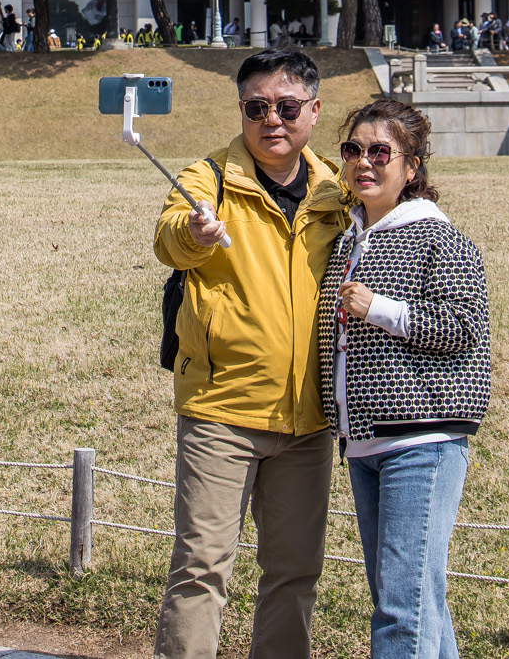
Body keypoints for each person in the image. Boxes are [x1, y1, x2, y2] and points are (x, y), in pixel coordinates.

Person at [153, 47, 348, 659]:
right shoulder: (205, 178)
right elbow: (169, 239)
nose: (273, 120)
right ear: (241, 111)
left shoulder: (337, 194)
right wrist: (194, 232)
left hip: (307, 419)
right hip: (221, 410)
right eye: (256, 107)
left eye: (287, 107)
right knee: (201, 568)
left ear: (313, 112)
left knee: (294, 573)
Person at [321, 99, 488, 659]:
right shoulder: (348, 240)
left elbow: (464, 325)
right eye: (352, 150)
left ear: (411, 167)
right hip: (364, 441)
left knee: (400, 609)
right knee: (416, 602)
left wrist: (380, 308)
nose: (363, 162)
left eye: (379, 152)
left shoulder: (438, 237)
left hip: (422, 439)